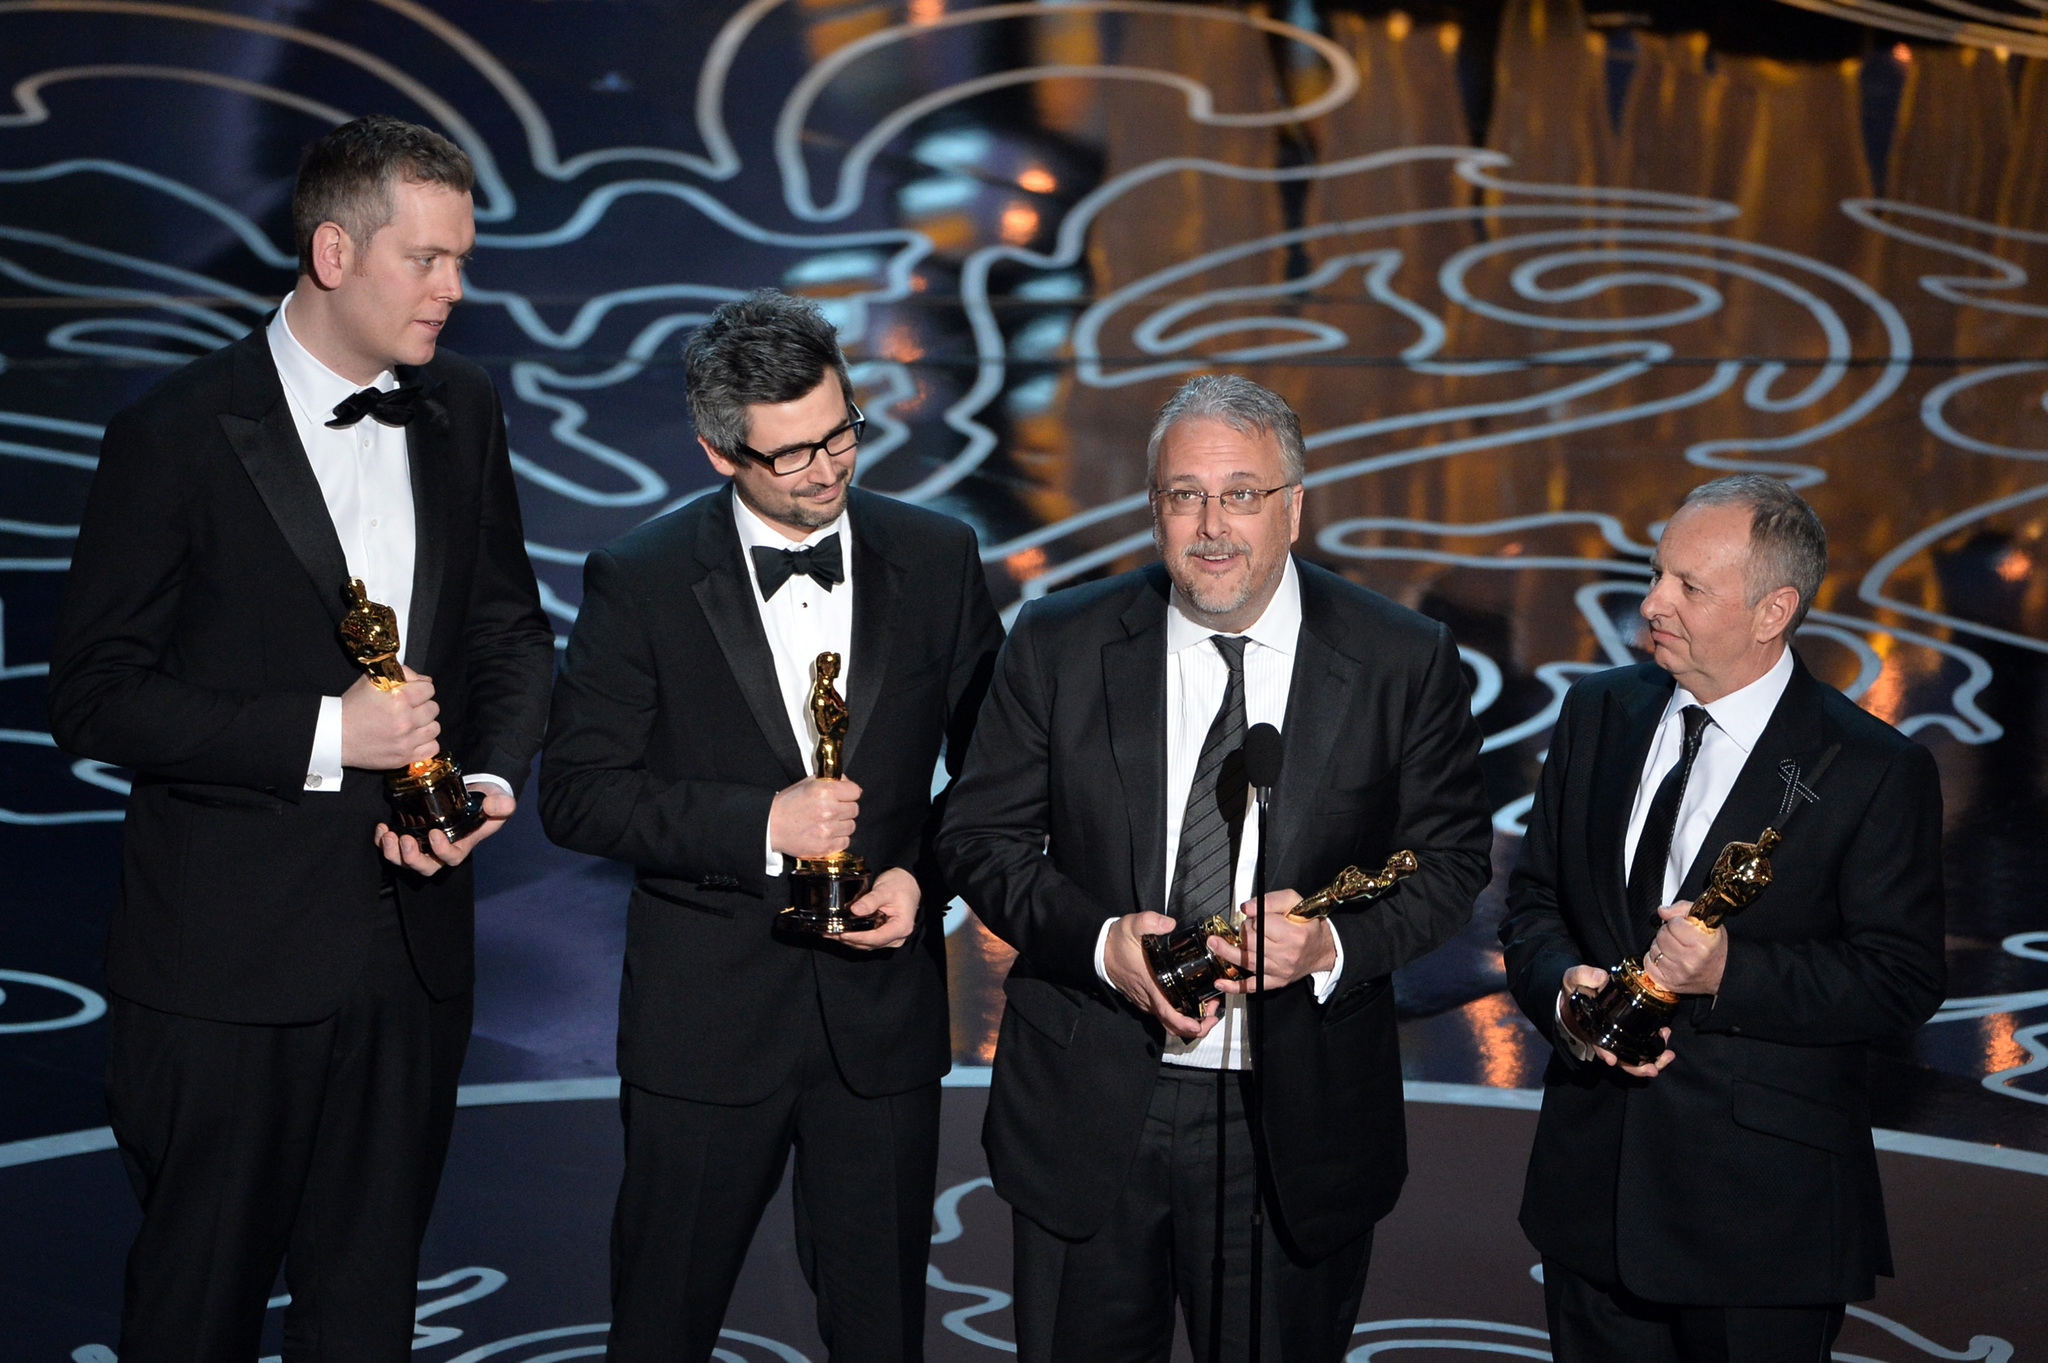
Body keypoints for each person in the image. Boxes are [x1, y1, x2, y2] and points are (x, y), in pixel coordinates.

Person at [47, 115, 555, 1359]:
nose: (453, 289)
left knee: (366, 1313)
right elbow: (96, 698)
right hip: (224, 973)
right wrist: (330, 732)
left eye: (461, 260)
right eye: (427, 260)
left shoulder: (463, 411)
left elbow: (509, 633)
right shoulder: (172, 433)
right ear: (334, 249)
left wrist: (480, 777)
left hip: (409, 964)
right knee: (194, 1311)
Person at [937, 374, 1493, 1361]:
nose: (1210, 525)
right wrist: (1105, 945)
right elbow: (978, 838)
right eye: (1183, 494)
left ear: (1293, 505)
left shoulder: (1398, 657)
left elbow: (1448, 861)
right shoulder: (1059, 641)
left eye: (1239, 493)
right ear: (1152, 506)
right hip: (1091, 1108)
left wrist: (1328, 942)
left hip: (1296, 1127)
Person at [537, 289, 1003, 1361]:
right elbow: (578, 794)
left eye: (839, 434)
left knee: (880, 1329)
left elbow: (995, 775)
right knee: (661, 1322)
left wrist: (921, 877)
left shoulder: (937, 558)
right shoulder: (641, 580)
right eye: (790, 454)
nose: (827, 469)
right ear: (718, 453)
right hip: (704, 1028)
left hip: (877, 1029)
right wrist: (764, 823)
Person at [1499, 475, 1947, 1361]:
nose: (1653, 603)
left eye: (1688, 587)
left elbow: (1902, 980)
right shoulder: (1598, 711)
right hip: (1589, 1200)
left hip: (1762, 1225)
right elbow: (1536, 901)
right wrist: (1564, 994)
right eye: (1658, 574)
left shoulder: (1872, 768)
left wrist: (1728, 972)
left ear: (1774, 609)